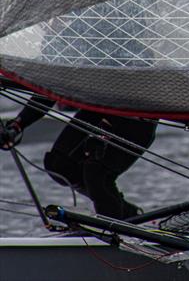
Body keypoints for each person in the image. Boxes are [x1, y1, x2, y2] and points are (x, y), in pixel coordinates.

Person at [1, 94, 157, 220]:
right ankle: (124, 214)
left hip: (137, 113)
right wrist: (17, 125)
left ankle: (112, 228)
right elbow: (48, 90)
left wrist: (104, 129)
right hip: (98, 107)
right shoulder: (63, 56)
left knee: (96, 172)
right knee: (58, 165)